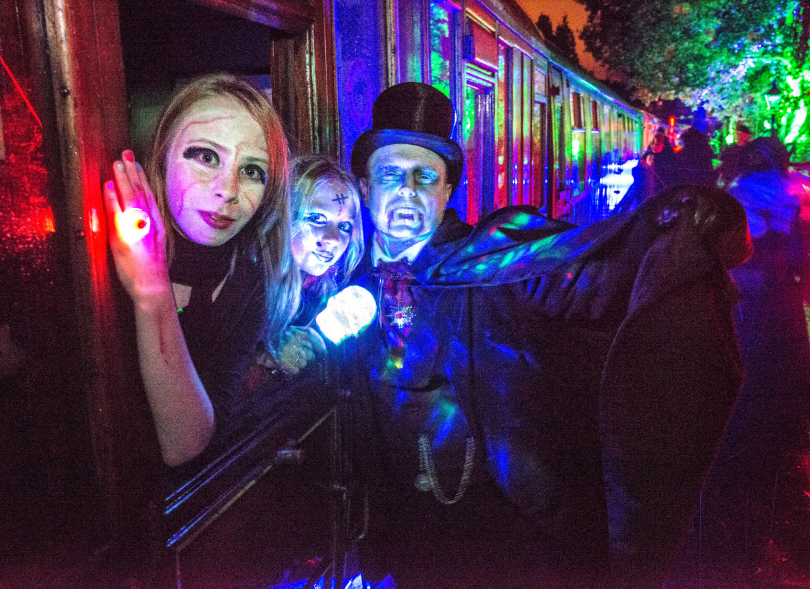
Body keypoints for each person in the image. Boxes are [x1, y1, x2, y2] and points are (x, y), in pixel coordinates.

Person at [347, 82, 751, 588]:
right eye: (390, 175)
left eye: (425, 176)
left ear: (447, 191)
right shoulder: (344, 282)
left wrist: (674, 224)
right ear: (365, 188)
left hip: (506, 532)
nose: (408, 190)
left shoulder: (496, 259)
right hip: (407, 539)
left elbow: (597, 271)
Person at [102, 74, 299, 467]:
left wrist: (150, 288)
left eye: (252, 171)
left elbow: (186, 443)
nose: (228, 189)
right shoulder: (97, 254)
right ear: (160, 157)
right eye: (206, 157)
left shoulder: (248, 280)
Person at [701, 136, 810, 575]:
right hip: (782, 309)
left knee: (738, 392)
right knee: (779, 401)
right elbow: (803, 259)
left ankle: (721, 494)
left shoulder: (728, 198)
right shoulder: (798, 198)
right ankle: (764, 501)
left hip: (740, 307)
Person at [252, 155, 365, 377]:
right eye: (317, 218)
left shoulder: (325, 293)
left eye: (344, 226)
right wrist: (266, 352)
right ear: (283, 216)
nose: (333, 239)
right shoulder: (246, 285)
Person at [717, 123, 753, 188]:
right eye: (738, 134)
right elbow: (722, 164)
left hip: (742, 183)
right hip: (727, 180)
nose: (739, 137)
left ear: (747, 136)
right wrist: (720, 175)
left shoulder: (750, 150)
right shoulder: (729, 148)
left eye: (742, 134)